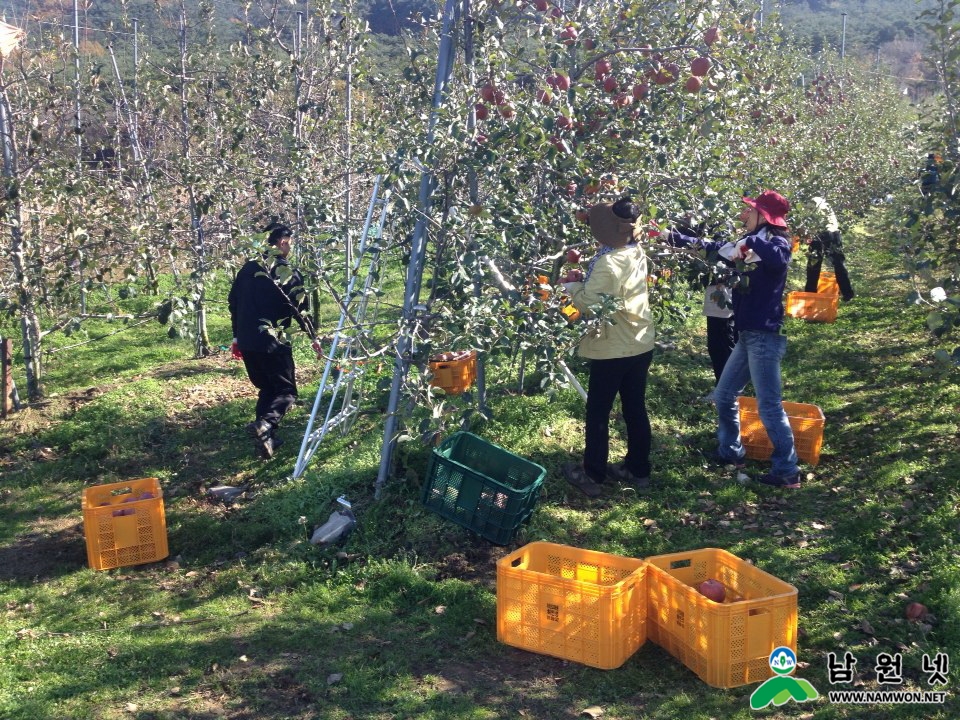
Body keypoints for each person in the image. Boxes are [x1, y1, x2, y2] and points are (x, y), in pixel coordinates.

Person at [665, 191, 801, 488]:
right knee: (725, 395)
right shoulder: (749, 243)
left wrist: (750, 241)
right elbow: (715, 248)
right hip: (747, 334)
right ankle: (731, 452)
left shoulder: (774, 242)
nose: (743, 216)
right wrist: (669, 236)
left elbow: (779, 259)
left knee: (769, 406)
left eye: (748, 212)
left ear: (764, 216)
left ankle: (787, 470)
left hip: (763, 336)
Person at [560, 197, 656, 497]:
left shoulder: (608, 262)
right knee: (634, 407)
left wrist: (573, 286)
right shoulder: (634, 250)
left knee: (598, 410)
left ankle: (593, 473)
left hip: (613, 345)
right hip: (640, 340)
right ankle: (638, 469)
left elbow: (588, 304)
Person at [228, 222, 321, 459]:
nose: (289, 248)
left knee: (267, 388)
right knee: (286, 390)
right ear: (282, 242)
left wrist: (237, 336)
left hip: (248, 341)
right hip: (272, 341)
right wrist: (313, 337)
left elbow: (234, 303)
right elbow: (300, 308)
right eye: (289, 243)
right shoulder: (286, 272)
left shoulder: (247, 269)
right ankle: (267, 424)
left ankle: (266, 437)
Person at [803, 196, 855, 301]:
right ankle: (847, 293)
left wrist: (805, 235)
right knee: (839, 264)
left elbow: (807, 222)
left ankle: (810, 293)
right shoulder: (823, 201)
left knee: (814, 264)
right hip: (834, 233)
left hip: (820, 234)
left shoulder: (811, 202)